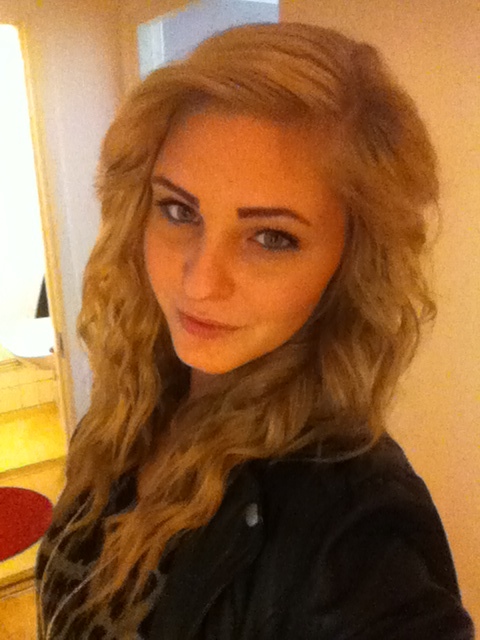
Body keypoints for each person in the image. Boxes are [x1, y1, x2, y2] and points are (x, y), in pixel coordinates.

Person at [35, 21, 475, 640]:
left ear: (350, 262)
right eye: (178, 210)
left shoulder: (353, 529)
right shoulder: (129, 410)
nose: (199, 283)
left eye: (271, 237)